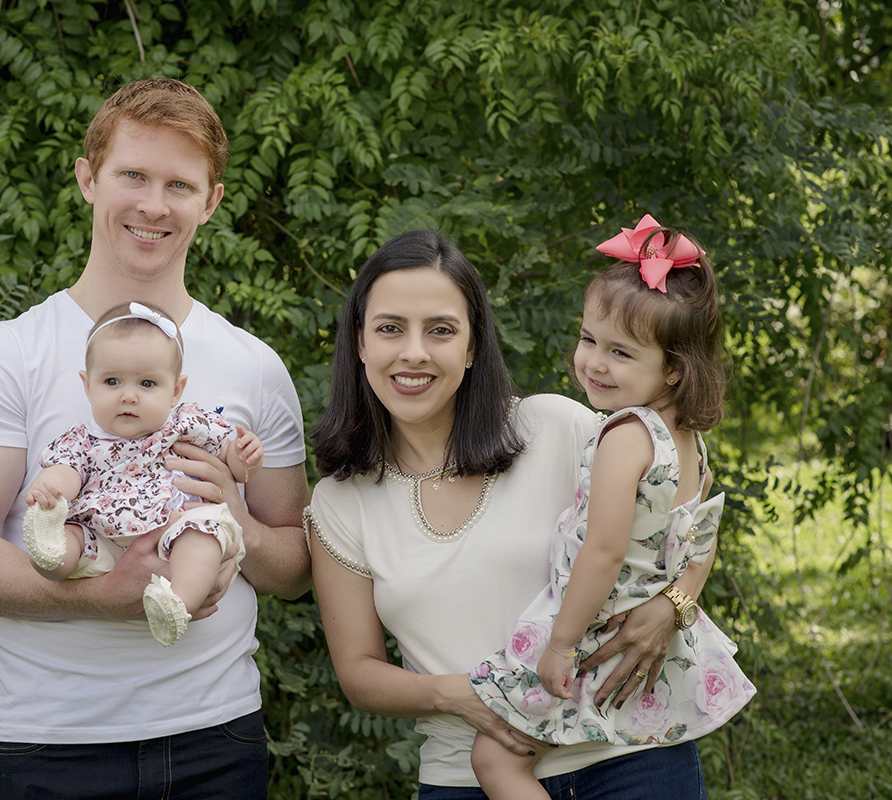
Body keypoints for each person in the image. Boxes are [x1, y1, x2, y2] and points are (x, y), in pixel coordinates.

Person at [0, 77, 310, 799]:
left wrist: (239, 524)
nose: (153, 205)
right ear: (88, 179)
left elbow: (294, 569)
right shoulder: (13, 353)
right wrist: (102, 595)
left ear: (212, 201)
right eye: (132, 175)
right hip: (50, 746)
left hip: (217, 740)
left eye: (179, 185)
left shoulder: (254, 366)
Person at [306, 228, 723, 800]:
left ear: (473, 345)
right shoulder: (339, 502)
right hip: (468, 778)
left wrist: (674, 603)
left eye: (441, 330)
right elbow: (359, 675)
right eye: (389, 328)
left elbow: (685, 514)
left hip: (629, 755)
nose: (414, 352)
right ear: (359, 342)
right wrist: (470, 695)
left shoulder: (556, 426)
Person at [468, 216, 756, 799]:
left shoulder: (625, 435)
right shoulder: (690, 442)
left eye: (620, 352)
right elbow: (701, 540)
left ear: (673, 368)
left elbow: (601, 551)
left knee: (493, 757)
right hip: (643, 622)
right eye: (588, 340)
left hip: (595, 624)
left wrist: (560, 644)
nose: (595, 363)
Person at [21, 301, 265, 647]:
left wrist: (245, 456)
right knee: (70, 537)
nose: (129, 396)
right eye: (112, 381)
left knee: (203, 533)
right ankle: (47, 552)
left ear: (176, 390)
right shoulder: (82, 439)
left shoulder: (186, 422)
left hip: (175, 524)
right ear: (87, 385)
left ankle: (177, 601)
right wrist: (50, 491)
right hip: (102, 533)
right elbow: (66, 471)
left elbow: (234, 465)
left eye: (147, 383)